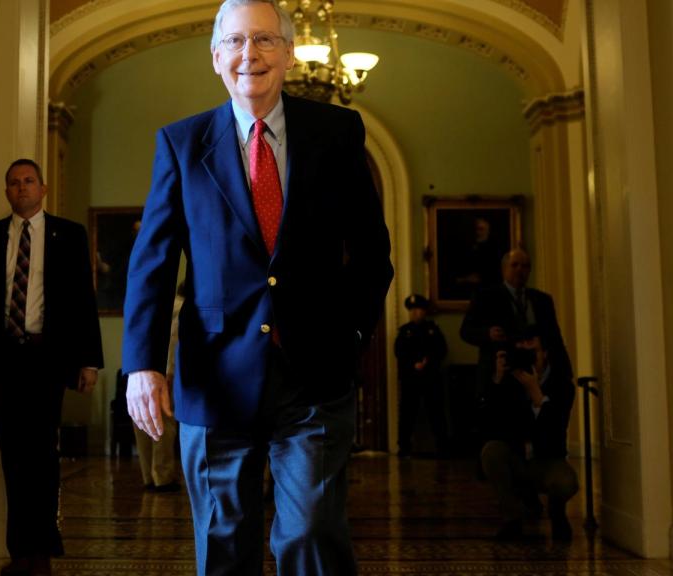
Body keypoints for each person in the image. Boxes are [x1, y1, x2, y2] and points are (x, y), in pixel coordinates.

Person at [120, 1, 394, 573]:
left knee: (312, 534)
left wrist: (353, 333)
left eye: (266, 41)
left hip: (315, 375)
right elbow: (153, 262)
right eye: (238, 42)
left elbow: (371, 253)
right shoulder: (181, 143)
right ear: (216, 56)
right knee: (224, 540)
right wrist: (142, 365)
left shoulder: (337, 132)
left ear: (290, 54)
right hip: (214, 378)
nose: (252, 55)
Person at [0, 159, 103, 576]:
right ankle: (20, 549)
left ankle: (40, 546)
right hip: (3, 359)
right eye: (14, 183)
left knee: (43, 454)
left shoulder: (69, 235)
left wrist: (88, 362)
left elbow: (82, 301)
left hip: (48, 359)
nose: (21, 188)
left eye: (28, 181)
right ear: (7, 192)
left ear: (43, 189)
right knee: (12, 455)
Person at [477, 331, 578, 541]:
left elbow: (555, 430)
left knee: (565, 481)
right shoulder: (509, 381)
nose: (525, 356)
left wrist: (537, 395)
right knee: (492, 451)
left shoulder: (562, 384)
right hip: (517, 457)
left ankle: (557, 513)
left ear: (545, 354)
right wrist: (497, 379)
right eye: (519, 350)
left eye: (531, 351)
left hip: (548, 459)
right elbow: (489, 424)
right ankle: (512, 519)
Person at [459, 248, 571, 400]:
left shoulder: (542, 300)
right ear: (504, 269)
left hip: (538, 376)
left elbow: (555, 338)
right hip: (501, 376)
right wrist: (487, 333)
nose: (520, 269)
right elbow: (465, 331)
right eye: (515, 265)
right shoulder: (485, 297)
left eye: (525, 266)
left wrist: (565, 374)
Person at [132, 284, 184, 492]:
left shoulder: (153, 305)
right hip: (164, 374)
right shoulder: (181, 309)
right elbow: (174, 342)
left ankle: (148, 475)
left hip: (140, 371)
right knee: (164, 424)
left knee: (143, 421)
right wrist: (170, 372)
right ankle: (162, 476)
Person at [394, 294, 447, 458]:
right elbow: (399, 353)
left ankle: (442, 446)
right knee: (407, 414)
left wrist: (428, 362)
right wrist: (412, 365)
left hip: (431, 378)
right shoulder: (404, 332)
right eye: (413, 310)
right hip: (411, 379)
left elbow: (441, 350)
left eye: (419, 310)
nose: (416, 313)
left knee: (436, 413)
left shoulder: (433, 330)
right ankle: (404, 447)